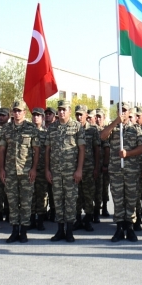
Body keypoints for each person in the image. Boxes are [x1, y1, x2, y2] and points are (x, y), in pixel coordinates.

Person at [101, 103, 142, 242]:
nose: (122, 112)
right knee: (118, 200)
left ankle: (130, 228)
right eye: (120, 110)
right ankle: (119, 228)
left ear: (129, 112)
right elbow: (102, 136)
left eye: (125, 110)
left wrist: (128, 153)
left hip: (131, 170)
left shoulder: (135, 129)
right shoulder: (113, 128)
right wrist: (116, 122)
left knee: (131, 200)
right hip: (116, 171)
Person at [0, 100, 40, 243]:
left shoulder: (31, 128)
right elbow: (2, 150)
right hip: (10, 172)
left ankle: (24, 231)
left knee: (26, 202)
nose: (17, 113)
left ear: (24, 112)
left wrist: (34, 168)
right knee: (12, 202)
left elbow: (36, 150)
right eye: (15, 111)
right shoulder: (6, 129)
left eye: (19, 111)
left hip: (26, 171)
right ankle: (14, 229)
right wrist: (1, 169)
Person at [46, 99, 85, 242]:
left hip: (71, 171)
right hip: (55, 171)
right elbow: (48, 150)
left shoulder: (77, 127)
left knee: (70, 200)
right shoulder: (52, 127)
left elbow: (82, 149)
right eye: (60, 109)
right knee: (58, 200)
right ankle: (59, 230)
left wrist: (79, 169)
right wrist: (47, 170)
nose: (61, 112)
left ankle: (69, 230)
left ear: (69, 111)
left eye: (64, 109)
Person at [74, 105, 98, 231]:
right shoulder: (72, 129)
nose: (79, 117)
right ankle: (77, 219)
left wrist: (96, 168)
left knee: (89, 194)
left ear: (86, 116)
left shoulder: (93, 130)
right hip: (75, 167)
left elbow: (97, 149)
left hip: (88, 167)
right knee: (76, 195)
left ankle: (88, 219)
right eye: (77, 114)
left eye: (81, 114)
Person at [29, 107, 49, 231]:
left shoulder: (46, 133)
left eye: (38, 115)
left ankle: (40, 220)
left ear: (42, 118)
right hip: (29, 168)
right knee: (30, 194)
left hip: (42, 168)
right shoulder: (27, 132)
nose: (36, 117)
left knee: (41, 194)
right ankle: (31, 219)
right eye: (34, 115)